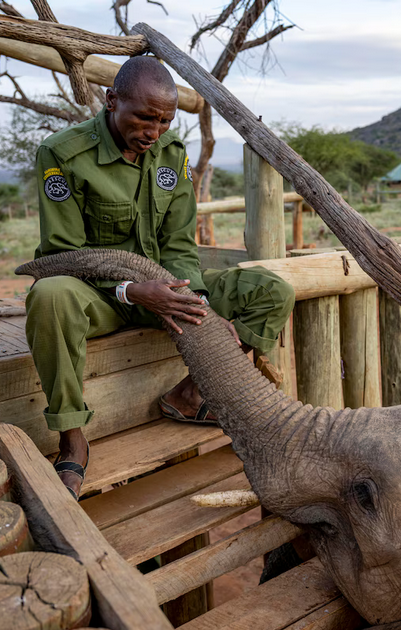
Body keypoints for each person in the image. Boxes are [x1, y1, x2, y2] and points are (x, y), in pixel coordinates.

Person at [25, 56, 295, 500]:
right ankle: (72, 437)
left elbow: (178, 246)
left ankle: (188, 396)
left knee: (271, 290)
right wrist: (133, 291)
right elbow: (64, 257)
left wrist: (198, 304)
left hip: (166, 289)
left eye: (164, 121)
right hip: (103, 296)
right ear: (112, 101)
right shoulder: (63, 154)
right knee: (50, 296)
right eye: (144, 117)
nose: (153, 131)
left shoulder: (171, 155)